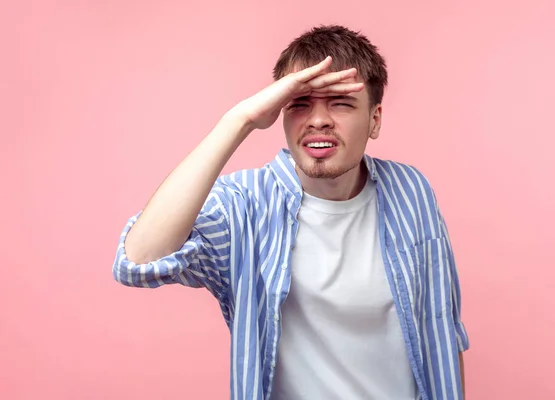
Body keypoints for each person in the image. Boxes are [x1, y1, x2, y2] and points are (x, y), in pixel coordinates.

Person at [112, 25, 470, 400]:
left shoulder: (411, 191)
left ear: (375, 119)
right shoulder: (246, 205)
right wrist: (240, 119)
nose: (318, 120)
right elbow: (137, 262)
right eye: (299, 103)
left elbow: (442, 329)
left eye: (340, 102)